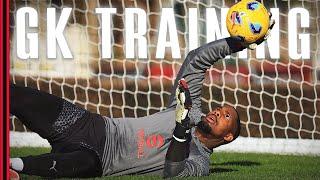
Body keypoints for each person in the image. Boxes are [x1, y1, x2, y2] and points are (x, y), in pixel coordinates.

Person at [10, 17, 275, 178]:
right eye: (220, 108)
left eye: (226, 116)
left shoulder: (201, 163)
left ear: (227, 136)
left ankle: (11, 167)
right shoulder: (188, 108)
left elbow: (174, 173)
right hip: (90, 125)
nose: (218, 111)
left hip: (98, 160)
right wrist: (236, 43)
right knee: (15, 95)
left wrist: (182, 130)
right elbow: (195, 61)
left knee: (31, 167)